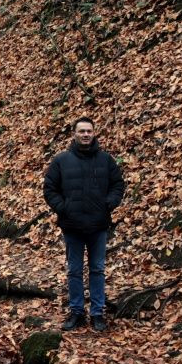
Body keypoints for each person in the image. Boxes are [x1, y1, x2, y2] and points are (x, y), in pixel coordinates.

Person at [43, 116, 125, 332]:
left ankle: (97, 314)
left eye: (89, 131)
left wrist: (108, 204)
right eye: (82, 131)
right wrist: (63, 208)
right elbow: (50, 189)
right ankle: (76, 312)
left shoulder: (106, 160)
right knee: (75, 270)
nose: (86, 134)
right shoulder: (61, 161)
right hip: (72, 226)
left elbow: (118, 185)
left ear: (94, 133)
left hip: (98, 225)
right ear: (74, 134)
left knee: (97, 269)